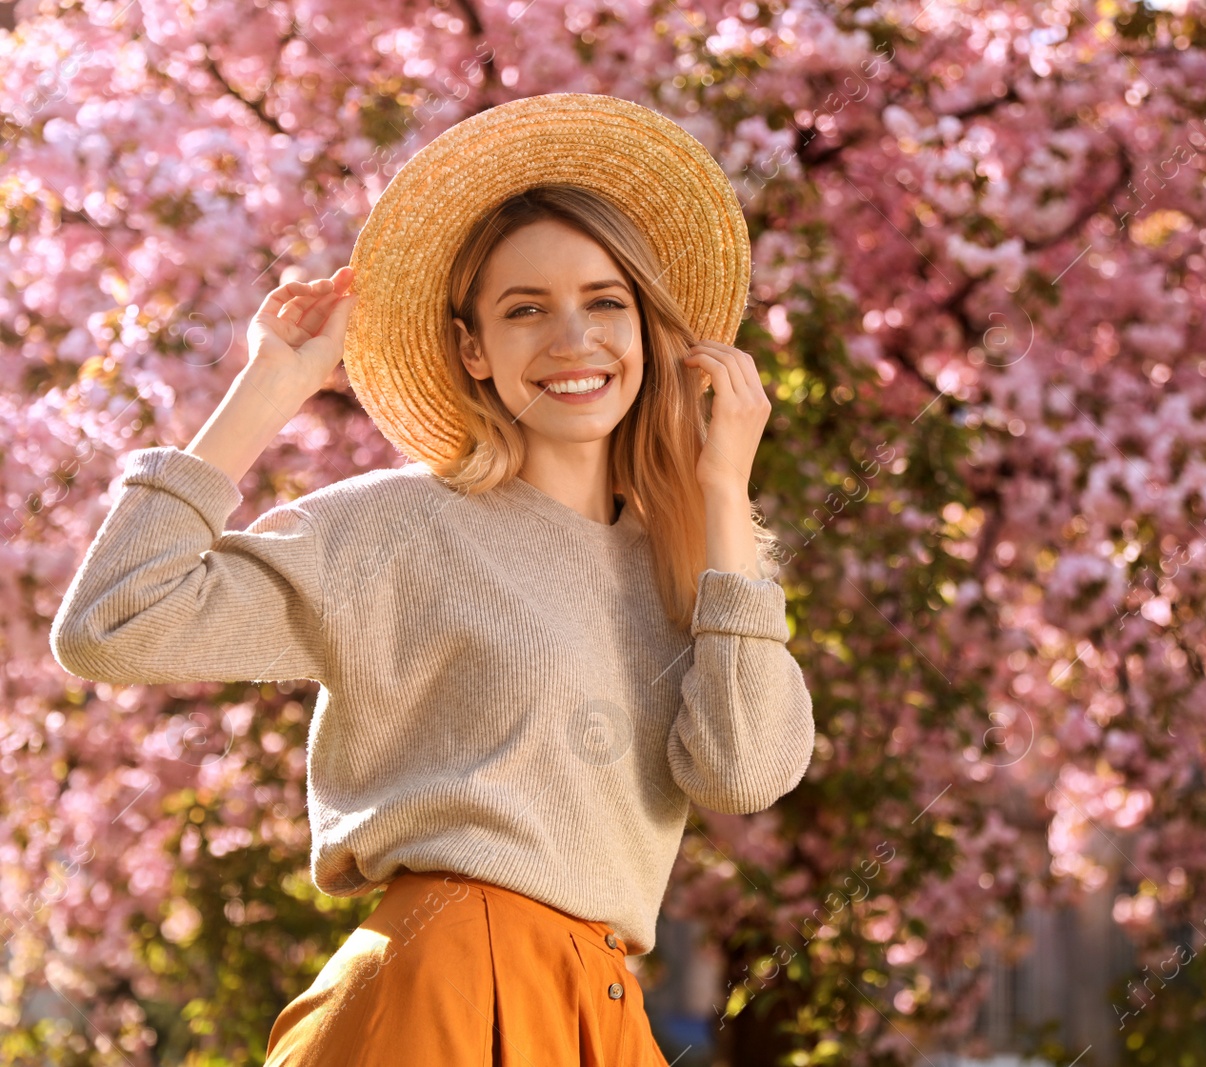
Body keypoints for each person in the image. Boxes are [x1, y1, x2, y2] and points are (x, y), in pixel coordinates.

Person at [49, 93, 816, 1065]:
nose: (572, 339)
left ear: (652, 330)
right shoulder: (398, 526)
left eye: (604, 301)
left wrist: (719, 495)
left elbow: (743, 775)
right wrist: (270, 387)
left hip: (600, 1012)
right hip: (443, 989)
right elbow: (111, 624)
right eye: (524, 309)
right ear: (473, 351)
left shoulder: (695, 575)